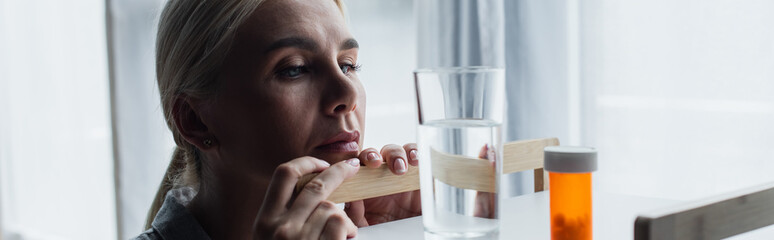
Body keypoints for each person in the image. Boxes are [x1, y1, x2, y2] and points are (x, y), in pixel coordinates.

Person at [134, 0, 421, 239]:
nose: (347, 94)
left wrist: (406, 232)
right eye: (294, 69)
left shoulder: (366, 229)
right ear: (195, 120)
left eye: (347, 65)